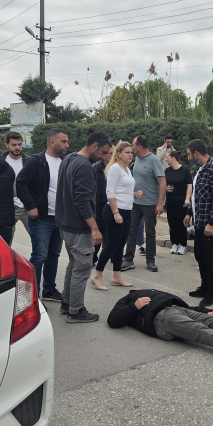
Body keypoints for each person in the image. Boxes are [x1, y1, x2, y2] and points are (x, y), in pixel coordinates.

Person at [107, 288, 213, 364]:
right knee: (198, 329)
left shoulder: (151, 291)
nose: (137, 288)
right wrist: (134, 305)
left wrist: (204, 311)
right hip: (161, 318)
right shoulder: (127, 299)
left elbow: (185, 306)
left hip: (179, 309)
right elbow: (112, 320)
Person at [56, 131, 112, 323]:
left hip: (65, 225)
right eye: (103, 152)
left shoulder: (69, 158)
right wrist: (95, 229)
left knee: (74, 264)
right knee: (82, 268)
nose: (103, 157)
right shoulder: (85, 166)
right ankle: (76, 311)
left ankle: (67, 303)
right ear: (95, 146)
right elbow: (82, 201)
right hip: (79, 227)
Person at [16, 128, 69, 303]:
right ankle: (33, 295)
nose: (67, 145)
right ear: (52, 142)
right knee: (39, 256)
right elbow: (21, 183)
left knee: (54, 255)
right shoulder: (37, 161)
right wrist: (31, 206)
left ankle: (49, 289)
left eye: (67, 141)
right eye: (63, 141)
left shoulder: (65, 162)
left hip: (59, 219)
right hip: (41, 219)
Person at [91, 142, 142, 290]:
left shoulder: (127, 169)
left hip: (127, 211)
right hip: (115, 211)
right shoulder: (114, 168)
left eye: (131, 152)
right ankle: (97, 275)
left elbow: (123, 190)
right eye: (127, 152)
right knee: (111, 245)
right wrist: (116, 213)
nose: (130, 155)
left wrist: (135, 194)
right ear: (118, 154)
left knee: (120, 245)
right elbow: (110, 191)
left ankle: (116, 276)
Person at [184, 139, 213, 307]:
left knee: (211, 259)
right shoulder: (199, 169)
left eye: (189, 154)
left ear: (196, 153)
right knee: (200, 256)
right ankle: (204, 287)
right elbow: (196, 195)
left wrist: (211, 222)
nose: (188, 158)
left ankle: (212, 293)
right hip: (199, 222)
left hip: (211, 224)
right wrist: (189, 213)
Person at [122, 136, 166, 273]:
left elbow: (163, 182)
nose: (132, 148)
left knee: (150, 232)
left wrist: (160, 203)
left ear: (139, 147)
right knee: (131, 231)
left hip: (150, 204)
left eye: (133, 146)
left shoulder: (154, 160)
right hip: (135, 203)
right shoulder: (137, 159)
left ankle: (150, 260)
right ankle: (128, 259)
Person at [1, 131, 30, 242]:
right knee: (5, 241)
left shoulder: (29, 161)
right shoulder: (0, 162)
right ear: (7, 145)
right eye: (14, 145)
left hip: (27, 207)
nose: (17, 147)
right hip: (8, 207)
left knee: (38, 240)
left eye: (19, 144)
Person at [164, 149, 193, 255]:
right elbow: (164, 184)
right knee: (172, 223)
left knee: (181, 223)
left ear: (173, 158)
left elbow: (189, 185)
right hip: (170, 200)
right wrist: (166, 189)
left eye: (167, 157)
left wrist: (187, 199)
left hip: (181, 201)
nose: (166, 159)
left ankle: (183, 244)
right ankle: (175, 243)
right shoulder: (167, 171)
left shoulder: (185, 170)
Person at [92, 144, 114, 265]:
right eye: (110, 153)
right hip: (99, 206)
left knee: (111, 233)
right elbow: (93, 190)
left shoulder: (116, 168)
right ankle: (93, 257)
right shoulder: (95, 168)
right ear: (103, 155)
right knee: (99, 232)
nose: (112, 156)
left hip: (112, 205)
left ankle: (111, 256)